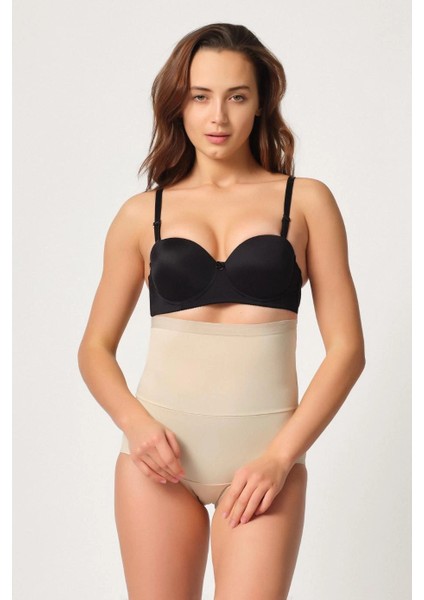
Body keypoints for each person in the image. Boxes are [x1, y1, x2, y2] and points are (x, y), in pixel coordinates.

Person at [78, 22, 365, 600]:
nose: (218, 117)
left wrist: (281, 457)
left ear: (260, 104)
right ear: (178, 104)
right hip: (158, 462)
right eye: (200, 96)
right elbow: (94, 349)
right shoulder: (142, 214)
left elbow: (347, 351)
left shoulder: (306, 201)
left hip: (265, 464)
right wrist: (136, 426)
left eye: (236, 96)